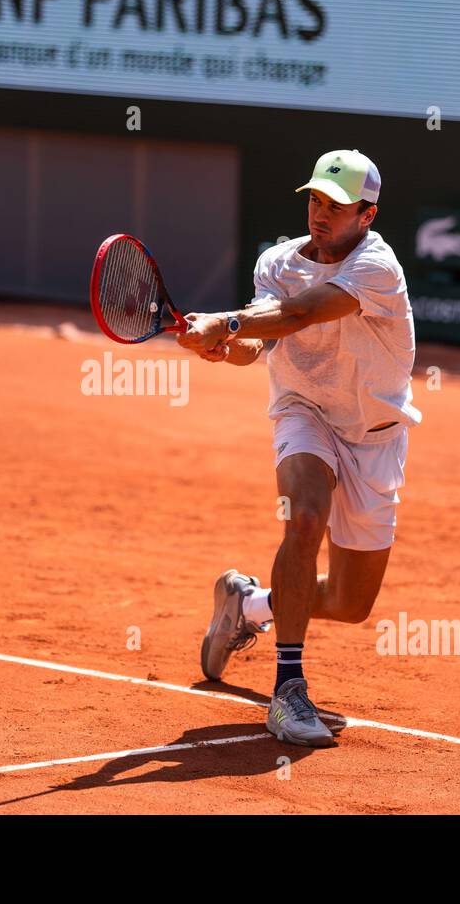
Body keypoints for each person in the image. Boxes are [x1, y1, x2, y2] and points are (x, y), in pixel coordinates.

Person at [176, 149, 421, 747]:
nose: (320, 214)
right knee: (304, 517)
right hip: (304, 412)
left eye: (336, 207)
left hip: (374, 434)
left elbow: (303, 313)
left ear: (367, 215)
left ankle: (248, 606)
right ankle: (288, 691)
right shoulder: (277, 263)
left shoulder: (377, 267)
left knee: (349, 602)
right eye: (314, 200)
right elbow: (259, 343)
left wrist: (227, 323)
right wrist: (219, 344)